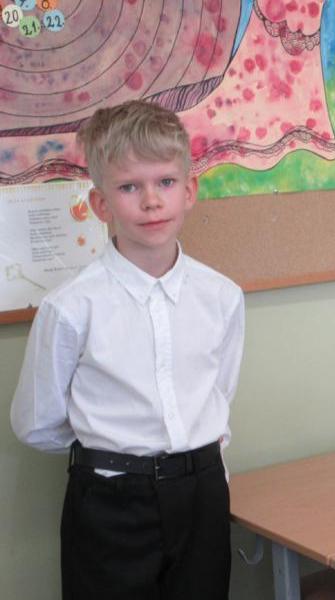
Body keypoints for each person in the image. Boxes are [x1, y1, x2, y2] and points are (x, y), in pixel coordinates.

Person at [10, 100, 245, 599]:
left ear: (189, 191)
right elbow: (37, 423)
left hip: (201, 491)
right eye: (129, 187)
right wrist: (111, 446)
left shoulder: (221, 296)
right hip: (110, 502)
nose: (151, 201)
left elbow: (217, 392)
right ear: (101, 205)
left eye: (165, 182)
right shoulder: (71, 308)